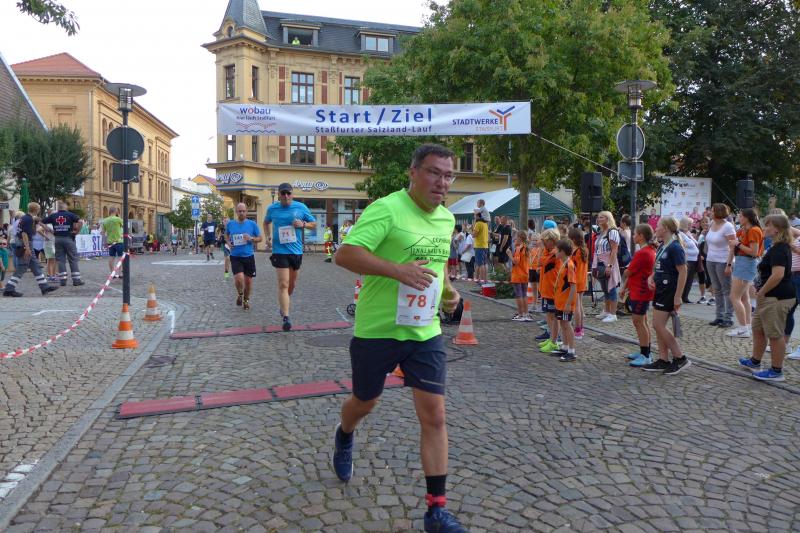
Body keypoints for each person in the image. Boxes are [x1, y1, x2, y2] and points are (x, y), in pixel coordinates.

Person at [331, 144, 466, 532]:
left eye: (448, 175)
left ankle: (436, 510)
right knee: (365, 401)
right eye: (434, 172)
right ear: (413, 172)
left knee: (435, 415)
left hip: (424, 331)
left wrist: (448, 292)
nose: (442, 182)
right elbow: (345, 254)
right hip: (378, 330)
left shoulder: (446, 218)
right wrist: (397, 270)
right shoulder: (387, 209)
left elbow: (438, 267)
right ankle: (344, 434)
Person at [739, 214, 796, 381]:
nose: (764, 228)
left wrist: (762, 291)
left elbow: (778, 275)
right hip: (768, 296)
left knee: (775, 334)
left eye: (768, 225)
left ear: (777, 229)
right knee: (758, 329)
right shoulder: (776, 246)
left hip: (776, 297)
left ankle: (777, 371)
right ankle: (755, 361)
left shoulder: (780, 249)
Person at [264, 182, 316, 331]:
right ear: (279, 195)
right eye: (283, 193)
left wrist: (303, 224)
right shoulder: (272, 208)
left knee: (291, 285)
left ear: (292, 194)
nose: (286, 196)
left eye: (288, 193)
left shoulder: (301, 207)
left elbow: (314, 224)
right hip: (279, 251)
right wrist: (268, 237)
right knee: (283, 284)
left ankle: (284, 302)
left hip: (295, 252)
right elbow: (266, 223)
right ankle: (286, 317)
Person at [642, 217, 691, 375]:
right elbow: (658, 266)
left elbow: (683, 272)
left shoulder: (675, 247)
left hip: (670, 290)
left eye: (658, 226)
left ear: (666, 229)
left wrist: (678, 296)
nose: (655, 229)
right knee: (657, 325)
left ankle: (680, 358)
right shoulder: (664, 245)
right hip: (661, 289)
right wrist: (651, 277)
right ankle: (663, 359)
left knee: (659, 325)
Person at [620, 224, 657, 367]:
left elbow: (628, 272)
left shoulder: (643, 252)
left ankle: (646, 355)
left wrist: (625, 279)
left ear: (641, 236)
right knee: (642, 322)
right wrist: (625, 287)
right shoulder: (647, 250)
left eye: (635, 234)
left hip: (640, 292)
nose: (634, 236)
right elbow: (632, 272)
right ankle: (644, 350)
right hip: (639, 290)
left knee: (639, 322)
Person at [3, 202, 58, 297]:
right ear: (36, 210)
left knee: (35, 266)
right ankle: (9, 289)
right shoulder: (28, 219)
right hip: (26, 244)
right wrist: (27, 248)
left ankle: (44, 287)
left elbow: (35, 220)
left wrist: (38, 220)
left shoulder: (26, 218)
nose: (39, 210)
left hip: (25, 243)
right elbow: (24, 234)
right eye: (39, 208)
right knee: (22, 267)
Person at [726, 208, 763, 338]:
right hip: (742, 262)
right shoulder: (743, 230)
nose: (739, 218)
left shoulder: (754, 230)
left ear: (747, 218)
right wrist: (729, 263)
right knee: (744, 297)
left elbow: (754, 252)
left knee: (734, 297)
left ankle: (743, 328)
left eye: (741, 216)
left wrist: (738, 244)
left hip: (747, 263)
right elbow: (734, 247)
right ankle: (746, 326)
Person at [705, 203, 737, 328]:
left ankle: (728, 317)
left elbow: (733, 246)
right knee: (716, 288)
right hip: (710, 260)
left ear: (718, 212)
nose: (710, 212)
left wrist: (729, 264)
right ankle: (719, 316)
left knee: (726, 289)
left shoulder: (728, 226)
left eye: (712, 211)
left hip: (723, 261)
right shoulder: (712, 223)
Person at [226, 203, 262, 310]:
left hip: (248, 256)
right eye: (239, 211)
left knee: (248, 281)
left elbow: (260, 238)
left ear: (246, 211)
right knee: (239, 279)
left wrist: (251, 238)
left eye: (243, 211)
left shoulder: (252, 224)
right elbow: (226, 234)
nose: (241, 213)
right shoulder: (230, 224)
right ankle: (240, 294)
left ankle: (246, 300)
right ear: (236, 212)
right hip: (235, 256)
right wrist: (228, 242)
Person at [42, 201, 84, 287]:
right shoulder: (70, 215)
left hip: (57, 239)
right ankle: (76, 280)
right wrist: (76, 232)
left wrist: (49, 229)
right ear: (65, 207)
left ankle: (63, 281)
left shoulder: (53, 215)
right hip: (68, 238)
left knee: (60, 260)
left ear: (58, 208)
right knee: (73, 259)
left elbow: (41, 221)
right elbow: (80, 221)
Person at [592, 211, 622, 323]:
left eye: (602, 217)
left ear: (608, 219)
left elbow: (614, 250)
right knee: (605, 288)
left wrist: (610, 265)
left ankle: (613, 314)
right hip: (600, 263)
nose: (599, 219)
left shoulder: (612, 231)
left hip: (609, 262)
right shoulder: (601, 232)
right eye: (598, 217)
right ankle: (607, 311)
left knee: (611, 288)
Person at [551, 239, 578, 361]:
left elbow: (573, 286)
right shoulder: (564, 263)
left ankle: (571, 351)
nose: (555, 252)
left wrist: (568, 304)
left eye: (556, 250)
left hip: (565, 303)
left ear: (562, 252)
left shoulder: (569, 265)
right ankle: (565, 346)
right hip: (560, 302)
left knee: (567, 324)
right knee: (563, 323)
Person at [537, 229, 560, 352]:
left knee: (553, 316)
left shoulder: (555, 253)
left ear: (552, 240)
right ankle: (552, 337)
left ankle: (554, 340)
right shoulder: (548, 251)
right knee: (549, 315)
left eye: (545, 241)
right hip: (546, 288)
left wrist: (541, 249)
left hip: (552, 289)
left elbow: (541, 262)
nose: (543, 243)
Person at [567, 227, 588, 339]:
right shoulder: (583, 250)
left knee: (577, 306)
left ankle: (578, 329)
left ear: (573, 239)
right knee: (579, 305)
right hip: (582, 280)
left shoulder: (577, 251)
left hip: (576, 280)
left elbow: (573, 267)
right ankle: (581, 327)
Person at [677, 218, 700, 303]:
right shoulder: (680, 234)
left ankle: (685, 297)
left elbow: (695, 244)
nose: (691, 226)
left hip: (693, 259)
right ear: (684, 224)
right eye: (689, 224)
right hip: (687, 259)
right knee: (685, 279)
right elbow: (682, 246)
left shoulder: (688, 233)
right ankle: (681, 296)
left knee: (689, 279)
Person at [510, 231, 531, 321]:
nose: (515, 239)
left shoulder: (519, 248)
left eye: (516, 237)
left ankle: (520, 314)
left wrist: (509, 254)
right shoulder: (526, 248)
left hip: (518, 275)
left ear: (520, 238)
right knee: (524, 295)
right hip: (525, 274)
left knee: (519, 295)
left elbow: (516, 262)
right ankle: (526, 313)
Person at [101, 207, 124, 279]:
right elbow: (124, 227)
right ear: (115, 211)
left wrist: (104, 242)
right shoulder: (118, 219)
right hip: (118, 241)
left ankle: (112, 273)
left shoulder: (105, 220)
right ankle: (120, 273)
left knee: (111, 257)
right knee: (120, 257)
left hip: (110, 242)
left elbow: (103, 232)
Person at [472, 211, 489, 283]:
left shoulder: (478, 223)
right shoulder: (485, 224)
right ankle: (484, 279)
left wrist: (472, 229)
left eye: (474, 215)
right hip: (485, 245)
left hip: (479, 246)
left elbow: (474, 235)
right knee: (484, 263)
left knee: (480, 264)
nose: (474, 217)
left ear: (478, 216)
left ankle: (481, 280)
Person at [528, 233, 542, 313]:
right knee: (534, 288)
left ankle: (542, 305)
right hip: (531, 269)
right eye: (533, 240)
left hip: (538, 269)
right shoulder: (531, 249)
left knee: (541, 288)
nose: (534, 242)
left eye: (536, 240)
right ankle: (534, 304)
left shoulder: (541, 249)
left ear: (539, 241)